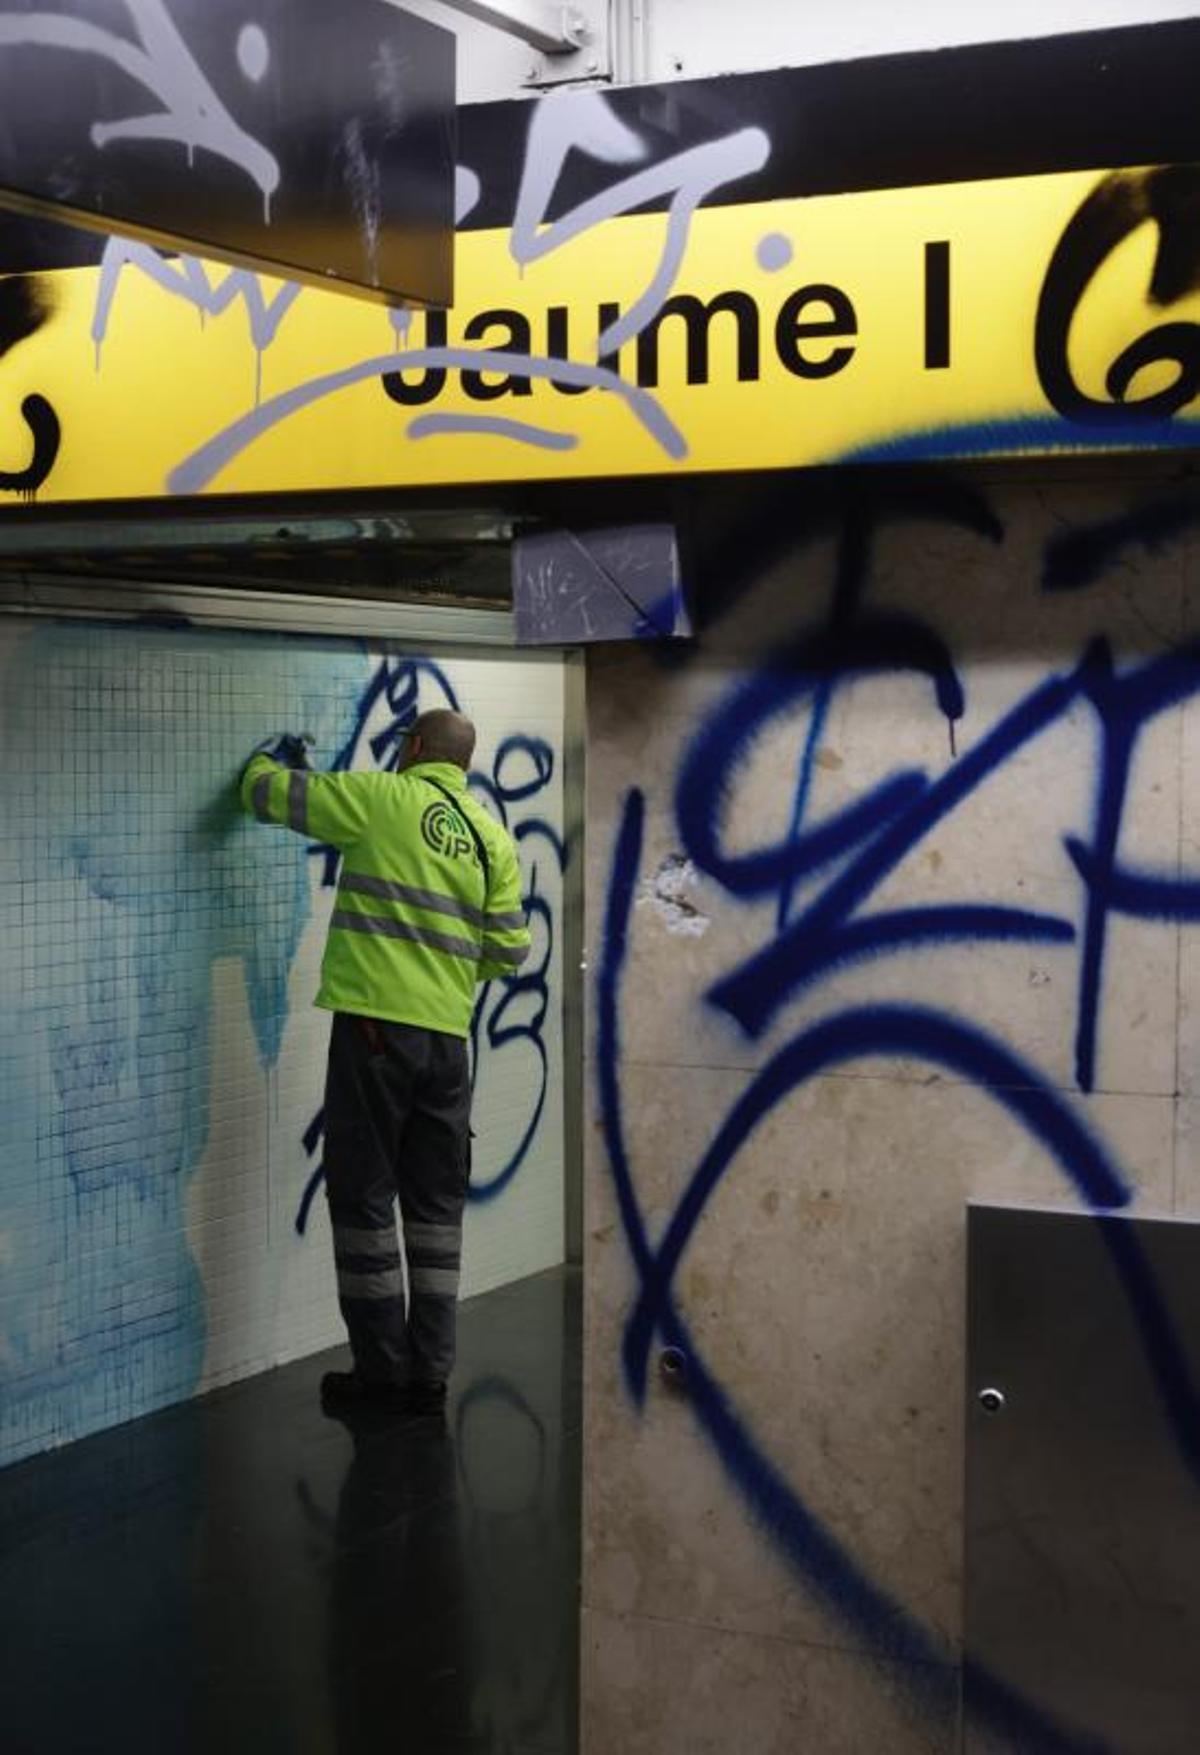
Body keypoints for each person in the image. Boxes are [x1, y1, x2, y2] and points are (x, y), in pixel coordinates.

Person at [240, 709, 531, 1416]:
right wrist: (450, 974)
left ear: (415, 748)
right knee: (436, 1209)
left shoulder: (383, 798)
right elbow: (512, 949)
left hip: (375, 1027)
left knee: (365, 1195)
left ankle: (379, 1372)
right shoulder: (492, 839)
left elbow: (272, 796)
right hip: (447, 1041)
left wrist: (261, 761)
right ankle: (429, 1371)